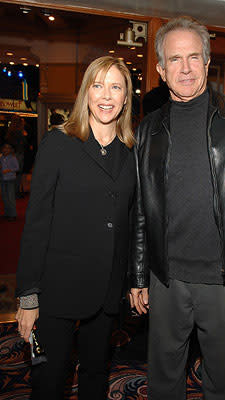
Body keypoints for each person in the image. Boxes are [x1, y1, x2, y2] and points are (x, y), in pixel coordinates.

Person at [129, 17, 225, 400]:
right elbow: (142, 212)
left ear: (207, 61)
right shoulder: (148, 129)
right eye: (175, 60)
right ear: (161, 70)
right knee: (164, 379)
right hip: (167, 281)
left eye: (193, 57)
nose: (185, 68)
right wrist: (138, 275)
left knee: (224, 380)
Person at [15, 56, 136, 399]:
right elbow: (37, 224)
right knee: (48, 380)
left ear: (126, 97)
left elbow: (131, 221)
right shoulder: (59, 144)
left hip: (108, 291)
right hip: (58, 289)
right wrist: (28, 297)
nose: (106, 95)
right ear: (86, 93)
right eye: (98, 85)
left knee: (96, 375)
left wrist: (133, 280)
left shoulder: (131, 152)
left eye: (116, 86)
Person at [5, 114, 27, 198]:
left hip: (12, 154)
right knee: (17, 174)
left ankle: (12, 192)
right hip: (18, 154)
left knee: (12, 174)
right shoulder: (19, 132)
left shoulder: (10, 131)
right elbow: (23, 143)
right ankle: (16, 192)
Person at [0, 143, 19, 221]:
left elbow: (17, 168)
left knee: (10, 197)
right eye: (4, 148)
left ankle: (13, 214)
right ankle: (7, 213)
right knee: (4, 197)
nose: (6, 150)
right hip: (2, 179)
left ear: (11, 150)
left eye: (8, 148)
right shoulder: (1, 158)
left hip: (10, 179)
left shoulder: (13, 158)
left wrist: (9, 170)